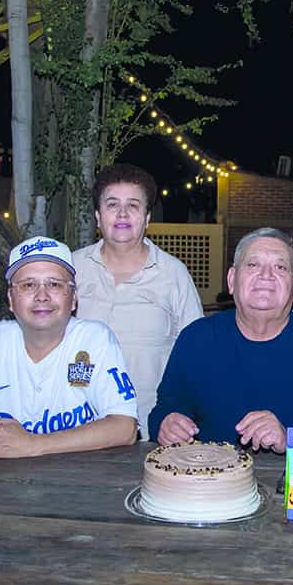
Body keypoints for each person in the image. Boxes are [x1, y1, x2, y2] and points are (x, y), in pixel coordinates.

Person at [0, 237, 138, 458]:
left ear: (74, 298)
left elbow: (125, 427)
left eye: (54, 284)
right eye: (28, 285)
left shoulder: (95, 339)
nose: (42, 296)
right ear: (10, 298)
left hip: (78, 482)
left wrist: (34, 444)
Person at [149, 228, 293, 453]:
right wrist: (166, 423)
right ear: (231, 280)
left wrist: (290, 439)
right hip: (207, 478)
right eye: (253, 265)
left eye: (280, 267)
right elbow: (165, 407)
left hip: (292, 481)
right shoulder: (196, 339)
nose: (266, 275)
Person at [72, 164, 202, 439]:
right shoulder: (70, 269)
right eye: (112, 204)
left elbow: (197, 354)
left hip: (150, 430)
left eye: (133, 205)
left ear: (147, 217)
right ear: (97, 216)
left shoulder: (173, 274)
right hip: (76, 429)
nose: (122, 213)